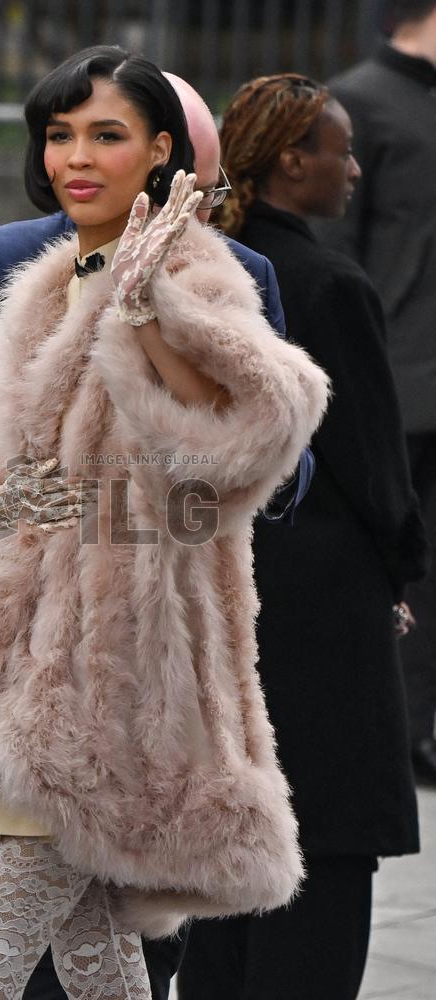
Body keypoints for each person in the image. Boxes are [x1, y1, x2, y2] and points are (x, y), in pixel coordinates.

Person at [0, 45, 328, 999]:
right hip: (31, 658)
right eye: (60, 135)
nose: (75, 157)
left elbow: (249, 440)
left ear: (161, 155)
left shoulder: (197, 273)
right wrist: (4, 510)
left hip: (118, 677)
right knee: (96, 961)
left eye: (107, 135)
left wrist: (148, 314)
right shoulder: (43, 278)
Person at [178, 73, 428, 1000]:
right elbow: (372, 460)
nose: (355, 168)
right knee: (325, 852)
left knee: (229, 866)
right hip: (320, 595)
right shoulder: (329, 283)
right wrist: (403, 570)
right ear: (293, 159)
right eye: (340, 148)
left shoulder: (202, 265)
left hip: (213, 579)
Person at [316, 0, 436, 785]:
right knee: (393, 569)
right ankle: (395, 735)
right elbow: (332, 264)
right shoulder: (357, 99)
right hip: (396, 388)